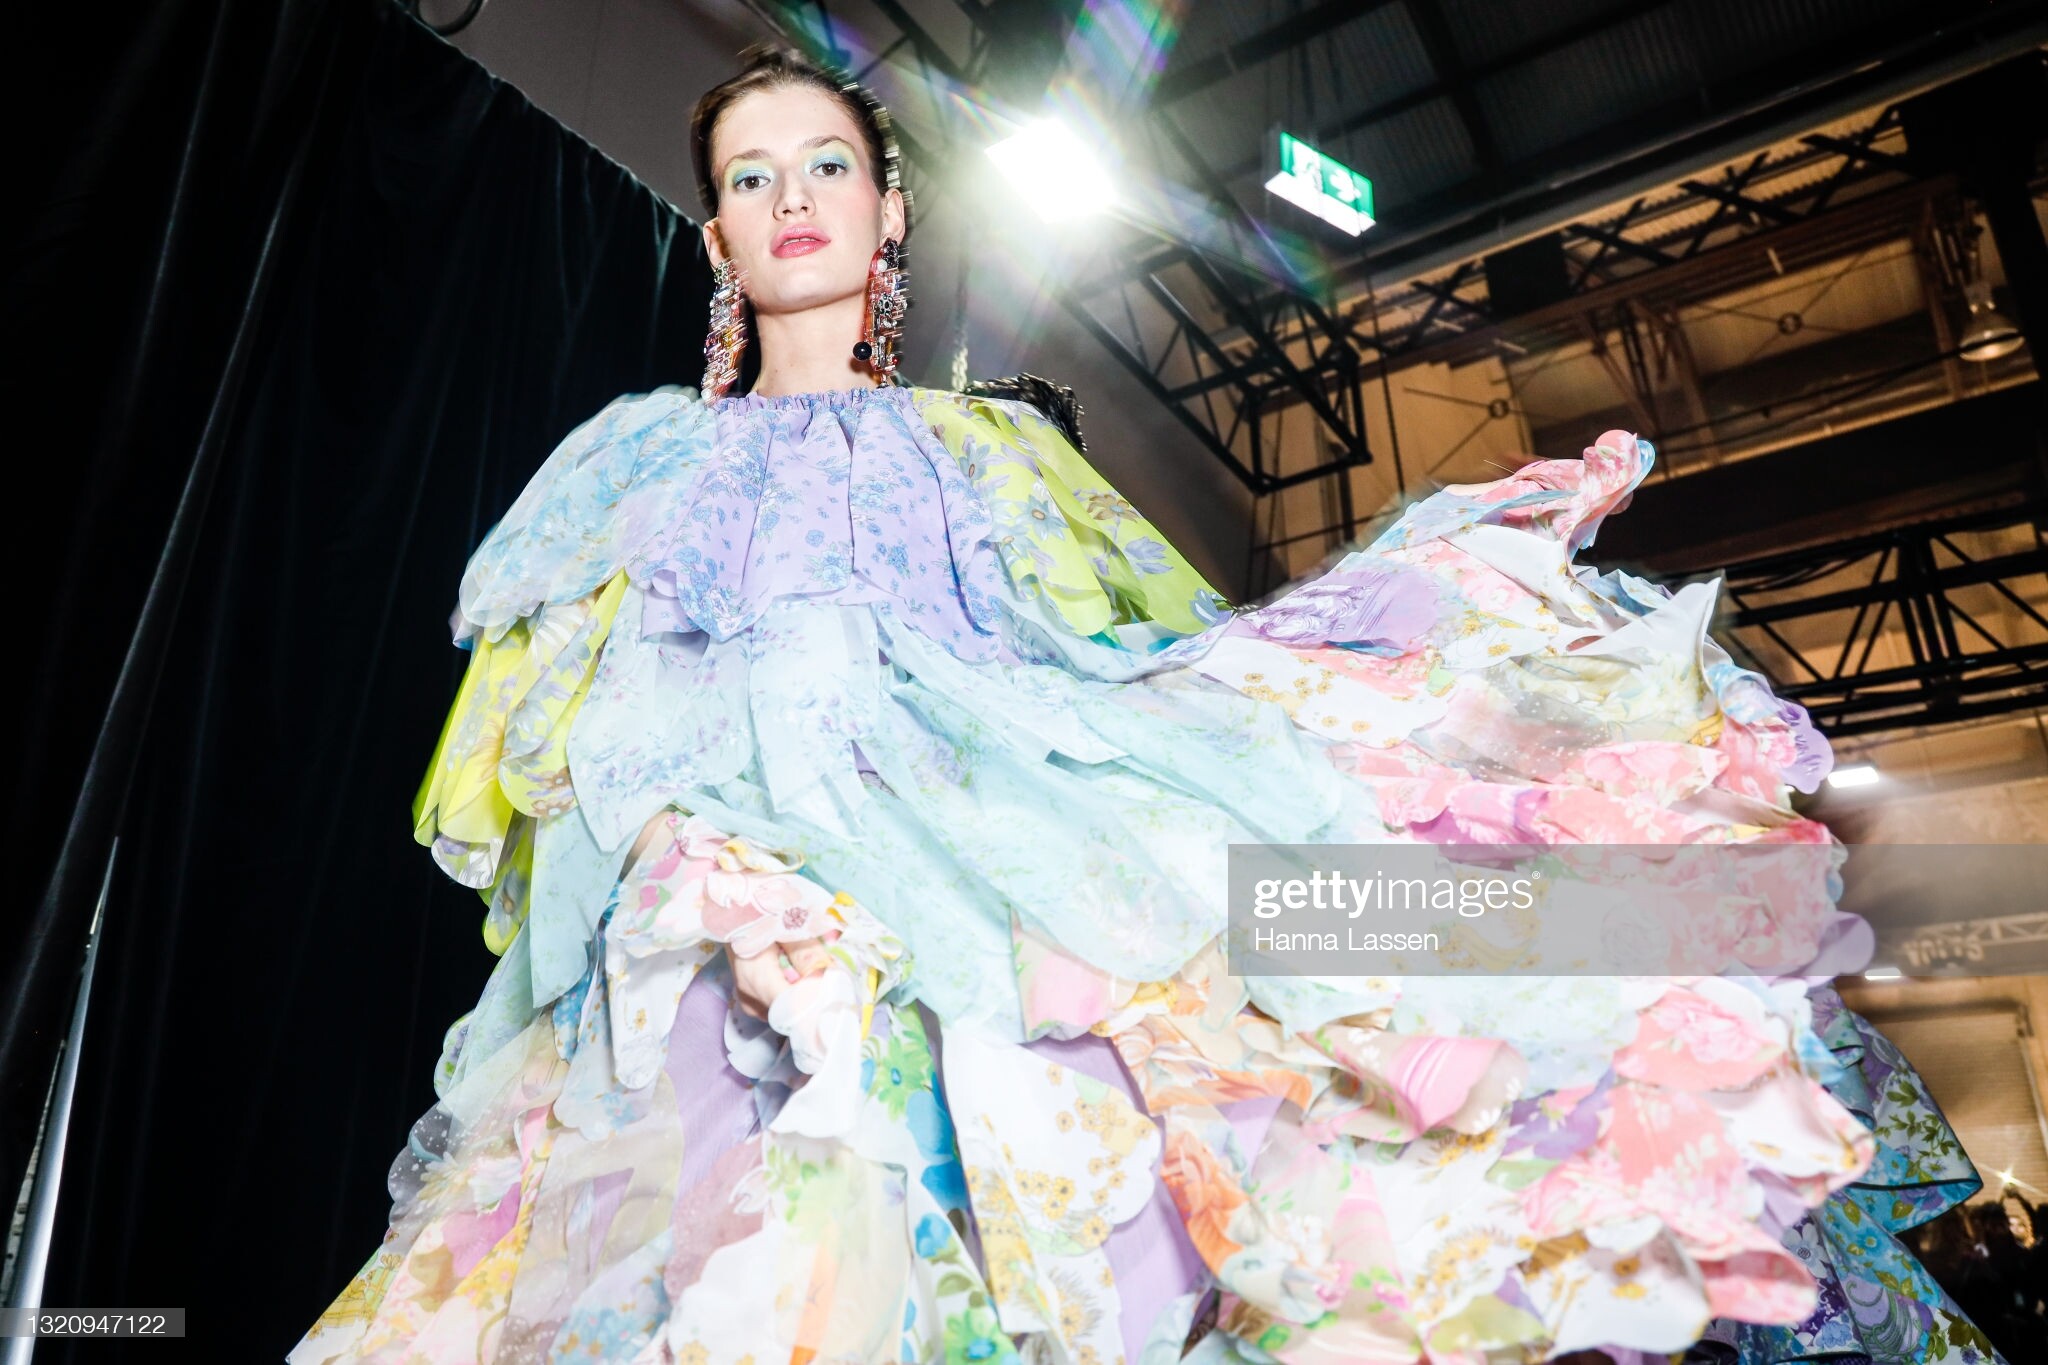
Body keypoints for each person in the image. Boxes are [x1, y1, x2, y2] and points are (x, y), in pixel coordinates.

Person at [289, 45, 2003, 1365]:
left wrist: (1372, 639)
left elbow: (1132, 656)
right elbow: (561, 747)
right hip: (735, 884)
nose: (792, 198)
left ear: (891, 213)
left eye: (828, 165)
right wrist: (698, 867)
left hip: (981, 823)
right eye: (752, 177)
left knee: (1236, 990)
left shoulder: (988, 448)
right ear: (721, 233)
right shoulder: (637, 466)